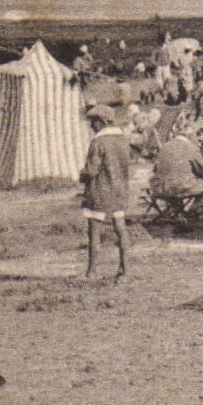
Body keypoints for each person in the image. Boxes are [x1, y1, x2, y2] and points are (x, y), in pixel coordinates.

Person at [80, 106, 133, 279]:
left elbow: (92, 170)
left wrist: (82, 174)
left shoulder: (98, 143)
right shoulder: (123, 140)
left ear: (101, 122)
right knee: (120, 228)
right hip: (120, 190)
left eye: (93, 122)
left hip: (100, 191)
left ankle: (92, 271)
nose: (91, 127)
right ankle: (124, 269)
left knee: (94, 231)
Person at [150, 124, 203, 202]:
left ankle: (174, 209)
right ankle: (194, 210)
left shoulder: (164, 146)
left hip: (160, 188)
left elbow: (155, 169)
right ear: (191, 136)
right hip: (180, 188)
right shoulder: (191, 148)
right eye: (198, 140)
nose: (199, 143)